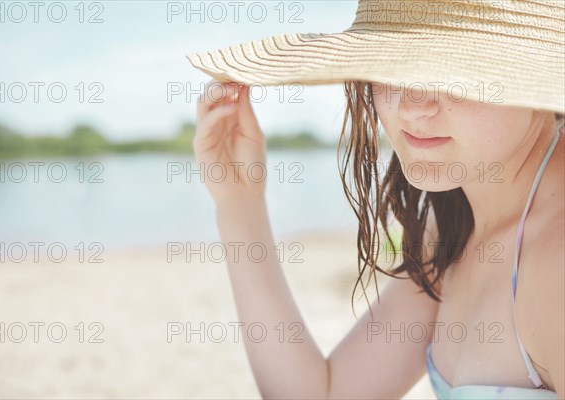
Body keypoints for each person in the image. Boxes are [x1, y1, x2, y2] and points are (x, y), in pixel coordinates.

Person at [185, 1, 564, 398]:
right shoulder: (453, 228)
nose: (413, 104)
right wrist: (239, 204)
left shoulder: (555, 260)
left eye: (455, 72)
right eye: (395, 67)